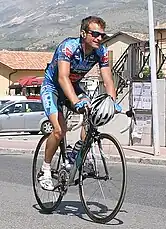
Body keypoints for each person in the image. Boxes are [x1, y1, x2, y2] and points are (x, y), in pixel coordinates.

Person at [38, 15, 121, 191]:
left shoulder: (101, 52)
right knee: (59, 130)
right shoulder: (69, 47)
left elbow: (107, 80)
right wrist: (76, 102)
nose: (99, 38)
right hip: (52, 88)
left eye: (102, 36)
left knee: (93, 111)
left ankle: (79, 150)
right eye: (95, 34)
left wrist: (112, 102)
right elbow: (62, 77)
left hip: (73, 87)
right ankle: (45, 170)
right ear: (83, 33)